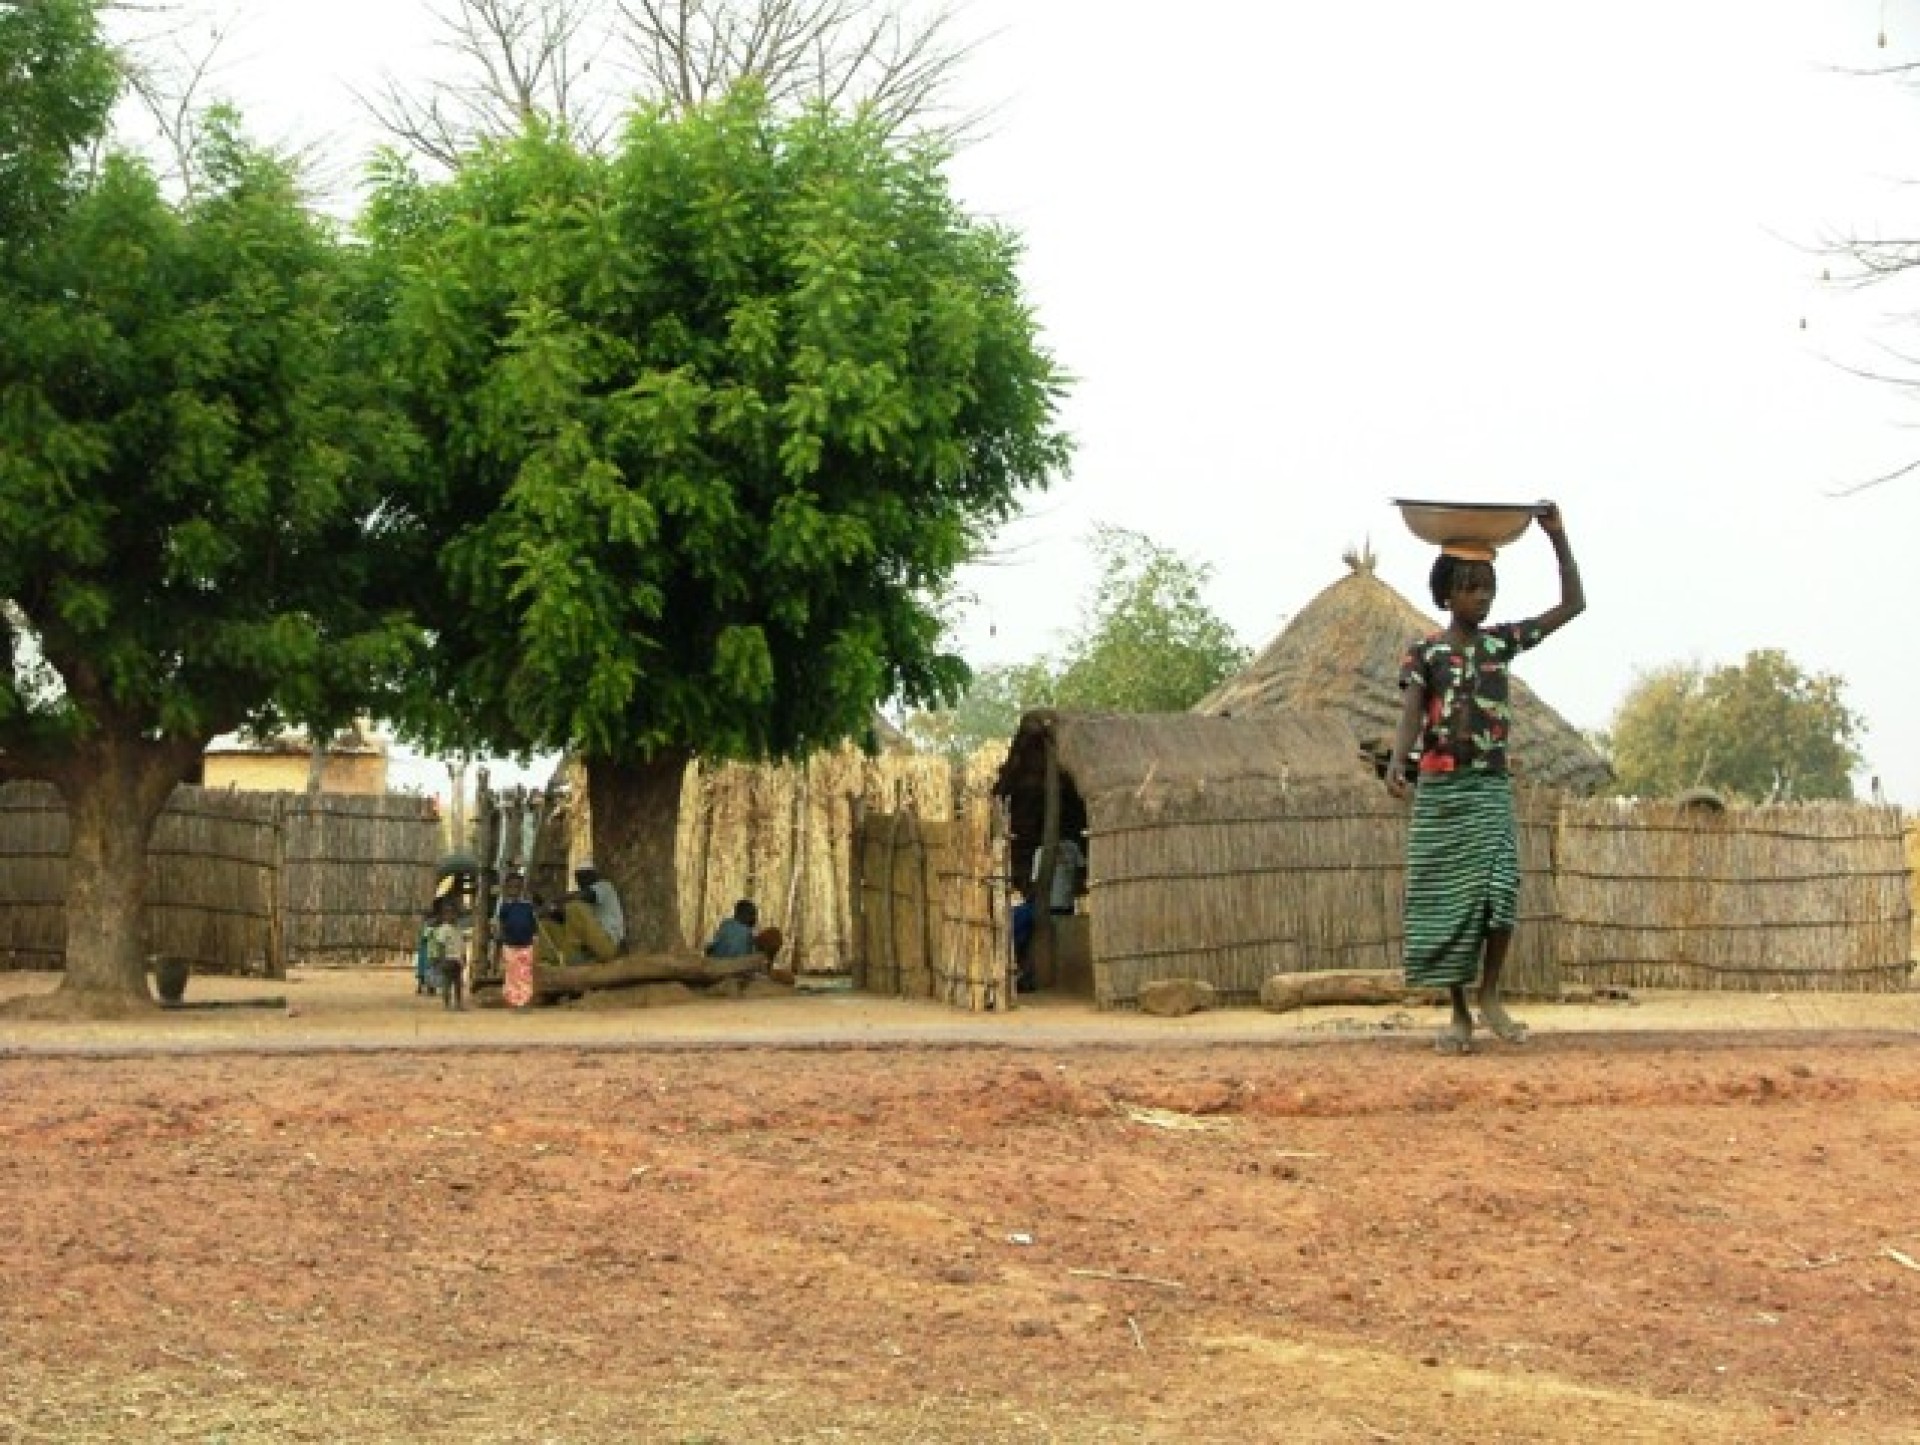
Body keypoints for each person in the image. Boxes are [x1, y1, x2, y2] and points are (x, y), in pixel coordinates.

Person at [1386, 501, 1585, 1055]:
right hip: (1442, 790)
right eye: (1472, 587)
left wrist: (1557, 537)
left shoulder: (1502, 645)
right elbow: (1411, 712)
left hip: (1489, 789)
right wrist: (1399, 762)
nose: (1483, 596)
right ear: (1446, 594)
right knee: (1448, 903)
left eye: (1489, 586)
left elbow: (1574, 603)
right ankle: (1457, 1013)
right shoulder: (1424, 652)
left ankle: (1491, 995)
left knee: (1500, 892)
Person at [537, 865, 625, 968]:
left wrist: (555, 901)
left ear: (594, 875)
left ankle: (578, 952)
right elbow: (564, 917)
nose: (580, 880)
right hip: (585, 950)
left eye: (583, 876)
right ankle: (549, 963)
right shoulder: (581, 907)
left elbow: (583, 896)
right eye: (577, 877)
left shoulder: (604, 886)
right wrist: (548, 910)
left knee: (574, 907)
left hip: (607, 945)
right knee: (545, 924)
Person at [493, 868, 540, 1010]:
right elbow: (501, 924)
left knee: (525, 974)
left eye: (518, 887)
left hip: (526, 945)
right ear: (506, 889)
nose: (515, 890)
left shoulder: (527, 906)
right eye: (511, 887)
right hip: (510, 945)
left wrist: (535, 937)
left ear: (522, 888)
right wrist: (499, 938)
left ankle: (524, 1002)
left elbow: (533, 923)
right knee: (512, 974)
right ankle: (513, 1002)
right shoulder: (504, 907)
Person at [428, 895, 465, 1011]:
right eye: (448, 913)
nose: (451, 916)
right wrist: (441, 959)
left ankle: (458, 1004)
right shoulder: (444, 929)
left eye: (454, 913)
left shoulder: (458, 929)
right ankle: (447, 1004)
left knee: (458, 983)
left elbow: (461, 944)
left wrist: (464, 957)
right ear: (444, 916)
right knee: (447, 983)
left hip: (457, 960)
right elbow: (441, 945)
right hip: (448, 960)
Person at [1031, 835, 1084, 916]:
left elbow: (1081, 868)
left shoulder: (1072, 847)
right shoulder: (1041, 851)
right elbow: (1036, 879)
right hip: (1051, 903)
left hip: (1068, 901)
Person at [1010, 884, 1036, 992]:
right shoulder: (1028, 908)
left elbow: (1014, 925)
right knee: (1023, 961)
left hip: (1016, 939)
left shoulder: (1018, 910)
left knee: (1017, 962)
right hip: (1024, 938)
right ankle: (1026, 984)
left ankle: (1021, 984)